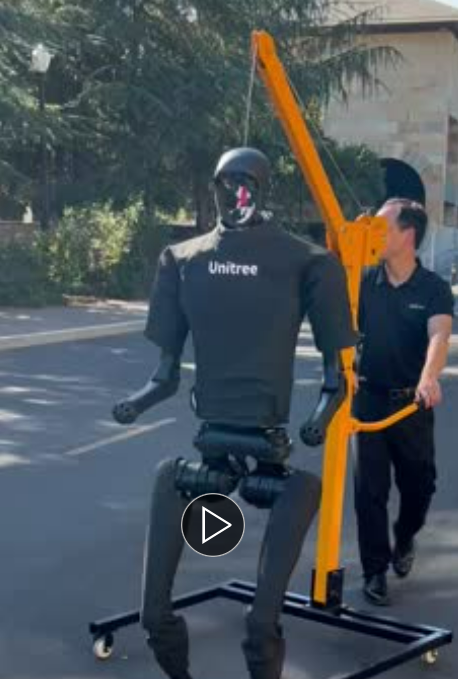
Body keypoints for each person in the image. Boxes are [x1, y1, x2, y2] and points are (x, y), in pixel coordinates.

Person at [113, 147, 355, 679]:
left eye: (247, 183)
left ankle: (264, 641)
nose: (236, 193)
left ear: (264, 189)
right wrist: (139, 400)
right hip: (212, 439)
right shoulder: (182, 259)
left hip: (270, 443)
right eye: (227, 182)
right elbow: (165, 373)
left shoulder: (308, 261)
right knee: (155, 611)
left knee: (260, 624)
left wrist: (319, 418)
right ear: (214, 187)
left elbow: (337, 377)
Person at [354, 197, 453, 607]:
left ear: (407, 235)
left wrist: (428, 378)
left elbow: (439, 336)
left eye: (381, 227)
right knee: (369, 490)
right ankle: (374, 570)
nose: (373, 234)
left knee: (419, 485)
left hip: (411, 404)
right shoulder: (363, 280)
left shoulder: (433, 288)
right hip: (367, 401)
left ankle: (406, 535)